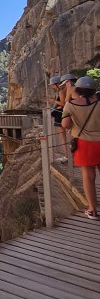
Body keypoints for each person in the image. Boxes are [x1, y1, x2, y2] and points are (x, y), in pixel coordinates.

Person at [61, 75, 100, 219]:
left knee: (89, 177)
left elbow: (65, 125)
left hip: (84, 143)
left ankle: (93, 210)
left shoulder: (71, 105)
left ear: (77, 89)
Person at [47, 75, 68, 164]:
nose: (52, 87)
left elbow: (63, 103)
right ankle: (67, 155)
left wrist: (53, 101)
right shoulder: (64, 90)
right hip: (63, 113)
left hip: (61, 115)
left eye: (52, 85)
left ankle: (66, 156)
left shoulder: (61, 91)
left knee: (63, 136)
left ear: (56, 84)